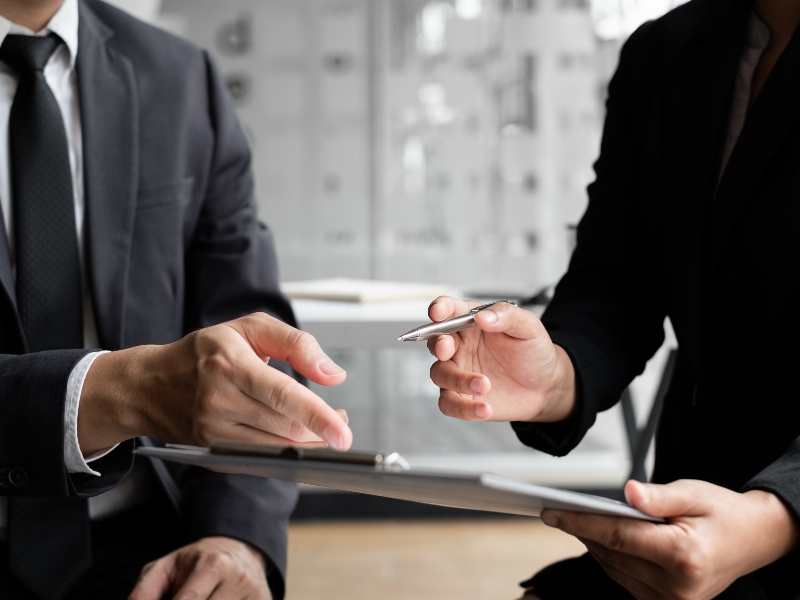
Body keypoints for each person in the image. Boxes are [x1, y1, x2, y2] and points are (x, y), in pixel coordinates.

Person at [428, 0, 800, 598]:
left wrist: (777, 517)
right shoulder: (665, 51)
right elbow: (619, 276)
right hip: (690, 512)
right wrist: (556, 373)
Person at [0, 0, 353, 599]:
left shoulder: (181, 78)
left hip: (146, 539)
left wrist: (235, 537)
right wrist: (128, 390)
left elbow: (250, 332)